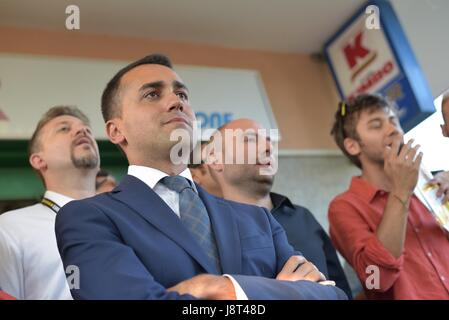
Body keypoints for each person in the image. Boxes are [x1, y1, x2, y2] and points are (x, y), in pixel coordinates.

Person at [55, 53, 347, 300]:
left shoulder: (260, 220)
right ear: (116, 131)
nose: (176, 101)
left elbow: (331, 295)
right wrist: (274, 292)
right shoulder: (87, 217)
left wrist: (216, 287)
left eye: (181, 94)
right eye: (152, 94)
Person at [189, 118, 353, 298]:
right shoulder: (204, 233)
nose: (268, 147)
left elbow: (342, 290)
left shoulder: (303, 216)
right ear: (215, 160)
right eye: (250, 140)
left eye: (268, 141)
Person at [328, 93, 449, 299]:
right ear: (352, 145)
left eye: (393, 120)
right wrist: (401, 192)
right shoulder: (343, 207)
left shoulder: (428, 185)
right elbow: (377, 280)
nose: (393, 129)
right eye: (376, 125)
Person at [0, 106, 99, 299]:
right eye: (64, 128)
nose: (82, 131)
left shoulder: (128, 221)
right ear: (39, 160)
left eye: (87, 129)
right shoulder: (9, 228)